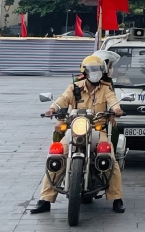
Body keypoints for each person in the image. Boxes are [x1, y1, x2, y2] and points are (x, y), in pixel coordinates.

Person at [30, 55, 125, 214]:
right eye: (92, 70)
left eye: (98, 70)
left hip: (97, 130)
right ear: (85, 72)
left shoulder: (105, 88)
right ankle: (45, 200)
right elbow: (62, 99)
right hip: (74, 130)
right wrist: (52, 109)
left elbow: (113, 100)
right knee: (56, 157)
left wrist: (117, 110)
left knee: (109, 157)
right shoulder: (74, 87)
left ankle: (116, 198)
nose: (95, 73)